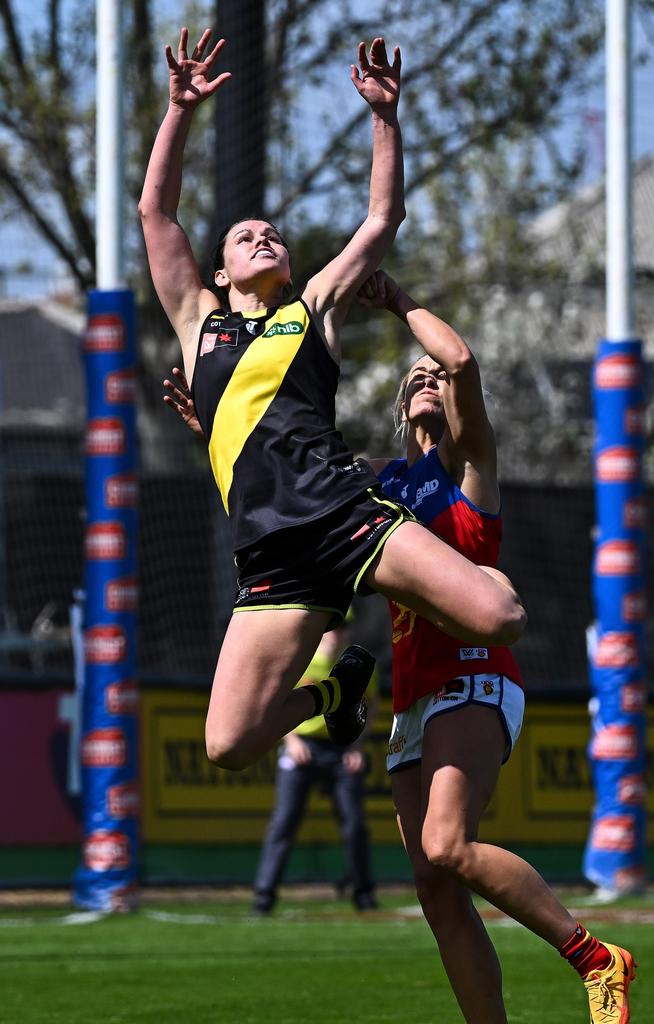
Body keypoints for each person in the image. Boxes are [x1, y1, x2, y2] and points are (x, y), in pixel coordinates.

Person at [140, 28, 526, 775]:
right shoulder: (198, 324)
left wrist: (385, 116)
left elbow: (382, 220)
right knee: (227, 745)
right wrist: (178, 111)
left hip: (347, 517)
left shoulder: (311, 310)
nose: (262, 237)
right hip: (271, 555)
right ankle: (336, 696)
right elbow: (158, 216)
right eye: (245, 236)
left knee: (500, 614)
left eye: (273, 234)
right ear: (217, 273)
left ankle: (445, 656)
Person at [355, 270, 637, 1024]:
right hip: (411, 698)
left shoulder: (468, 471)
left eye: (433, 375)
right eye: (414, 377)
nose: (427, 377)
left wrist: (399, 302)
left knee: (448, 844)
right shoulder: (383, 485)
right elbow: (288, 474)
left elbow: (464, 363)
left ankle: (596, 959)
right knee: (436, 891)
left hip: (473, 679)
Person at [254, 620, 379, 916]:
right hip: (303, 749)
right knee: (284, 822)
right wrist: (292, 740)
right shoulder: (301, 659)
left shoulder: (355, 665)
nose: (338, 632)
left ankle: (364, 895)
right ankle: (263, 898)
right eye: (334, 625)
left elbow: (370, 705)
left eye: (345, 626)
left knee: (354, 823)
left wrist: (356, 746)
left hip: (340, 750)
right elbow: (275, 701)